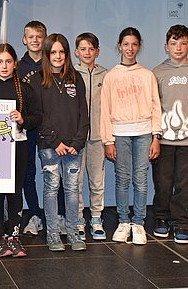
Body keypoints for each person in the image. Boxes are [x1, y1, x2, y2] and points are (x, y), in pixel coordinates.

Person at [100, 27, 161, 245]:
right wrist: (108, 140)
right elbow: (104, 110)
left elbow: (156, 106)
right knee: (123, 179)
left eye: (134, 44)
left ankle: (139, 223)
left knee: (141, 179)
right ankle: (123, 222)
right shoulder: (111, 76)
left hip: (144, 133)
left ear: (139, 47)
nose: (130, 49)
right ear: (119, 46)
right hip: (120, 134)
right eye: (126, 44)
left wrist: (156, 136)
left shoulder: (147, 75)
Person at [151, 25, 188, 244]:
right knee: (163, 182)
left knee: (184, 183)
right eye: (174, 43)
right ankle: (161, 219)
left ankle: (181, 222)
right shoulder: (157, 72)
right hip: (164, 139)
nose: (178, 47)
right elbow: (153, 105)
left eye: (183, 43)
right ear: (166, 47)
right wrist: (155, 135)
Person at [0, 43, 40, 257]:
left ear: (15, 64)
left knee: (15, 191)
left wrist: (23, 119)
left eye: (8, 61)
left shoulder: (26, 89)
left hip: (19, 147)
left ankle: (14, 236)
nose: (4, 66)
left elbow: (37, 117)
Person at [32, 34, 89, 252]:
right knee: (51, 189)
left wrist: (78, 141)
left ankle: (74, 232)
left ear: (66, 54)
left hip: (74, 146)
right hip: (49, 147)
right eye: (53, 52)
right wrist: (55, 142)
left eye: (61, 52)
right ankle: (53, 233)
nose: (57, 56)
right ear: (47, 55)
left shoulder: (76, 77)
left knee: (72, 190)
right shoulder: (38, 80)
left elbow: (84, 112)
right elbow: (39, 116)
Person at [74, 32, 108, 240]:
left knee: (97, 181)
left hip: (98, 137)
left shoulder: (107, 75)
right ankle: (78, 219)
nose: (87, 53)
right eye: (83, 49)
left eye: (91, 49)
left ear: (97, 51)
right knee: (75, 182)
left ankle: (96, 218)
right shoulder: (70, 74)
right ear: (76, 52)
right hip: (77, 138)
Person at [18, 21, 47, 236]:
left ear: (44, 39)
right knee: (28, 173)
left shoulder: (53, 62)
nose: (35, 40)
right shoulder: (18, 66)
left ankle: (59, 216)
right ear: (24, 40)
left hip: (51, 128)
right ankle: (34, 214)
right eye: (31, 36)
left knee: (55, 174)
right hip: (27, 127)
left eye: (39, 36)